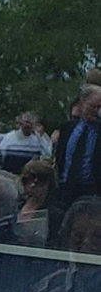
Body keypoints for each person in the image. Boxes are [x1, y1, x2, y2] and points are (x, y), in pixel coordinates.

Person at [53, 84, 101, 218]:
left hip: (93, 189)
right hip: (67, 187)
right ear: (82, 103)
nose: (96, 111)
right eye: (94, 106)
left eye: (100, 107)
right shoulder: (68, 128)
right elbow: (60, 157)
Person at [16, 157, 55, 245]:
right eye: (28, 180)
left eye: (40, 181)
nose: (33, 185)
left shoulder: (54, 213)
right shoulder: (15, 206)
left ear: (49, 184)